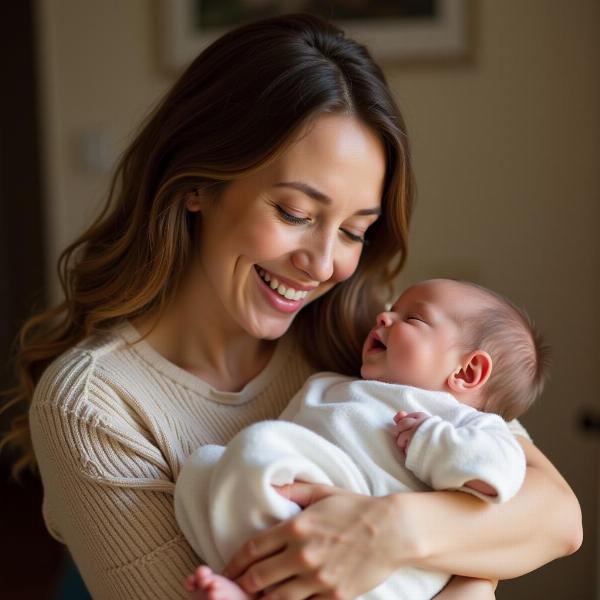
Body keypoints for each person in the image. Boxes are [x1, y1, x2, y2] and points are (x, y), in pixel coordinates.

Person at [0, 13, 581, 600]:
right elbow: (512, 531)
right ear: (196, 184)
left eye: (355, 231)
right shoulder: (95, 405)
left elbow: (557, 518)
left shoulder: (366, 335)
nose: (324, 264)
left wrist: (387, 533)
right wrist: (474, 575)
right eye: (295, 214)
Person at [175, 278, 548, 600]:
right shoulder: (330, 385)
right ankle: (250, 582)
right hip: (303, 510)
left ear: (467, 371)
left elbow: (496, 474)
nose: (384, 317)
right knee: (203, 469)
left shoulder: (464, 420)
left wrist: (430, 440)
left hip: (384, 557)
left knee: (259, 449)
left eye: (413, 318)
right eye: (391, 309)